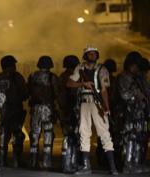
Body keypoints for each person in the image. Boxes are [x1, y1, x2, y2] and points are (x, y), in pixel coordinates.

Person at [67, 46, 118, 175]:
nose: (92, 56)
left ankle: (112, 168)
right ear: (85, 56)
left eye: (94, 54)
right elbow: (69, 83)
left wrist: (106, 108)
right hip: (84, 103)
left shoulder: (102, 69)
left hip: (97, 103)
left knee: (104, 133)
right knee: (84, 133)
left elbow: (104, 90)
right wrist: (82, 84)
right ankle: (86, 166)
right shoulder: (80, 67)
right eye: (89, 54)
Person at [115, 52, 147, 174]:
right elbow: (124, 95)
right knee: (129, 140)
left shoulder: (137, 78)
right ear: (130, 65)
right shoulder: (124, 77)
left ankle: (135, 163)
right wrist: (137, 95)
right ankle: (127, 164)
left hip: (137, 114)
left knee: (137, 139)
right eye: (135, 66)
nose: (137, 68)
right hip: (127, 114)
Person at [0, 55, 29, 168]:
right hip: (15, 110)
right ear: (11, 65)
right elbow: (24, 94)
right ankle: (16, 161)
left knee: (4, 136)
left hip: (4, 111)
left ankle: (2, 161)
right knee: (17, 136)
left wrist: (0, 108)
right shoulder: (17, 77)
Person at [28, 56, 59, 169]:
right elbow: (56, 93)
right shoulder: (52, 77)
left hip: (35, 109)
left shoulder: (32, 76)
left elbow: (28, 92)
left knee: (34, 136)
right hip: (48, 109)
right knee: (48, 135)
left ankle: (33, 161)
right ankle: (46, 162)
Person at [58, 55, 80, 173]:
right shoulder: (72, 77)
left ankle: (67, 164)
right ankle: (70, 164)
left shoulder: (62, 76)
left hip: (65, 109)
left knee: (68, 137)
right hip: (70, 109)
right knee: (72, 138)